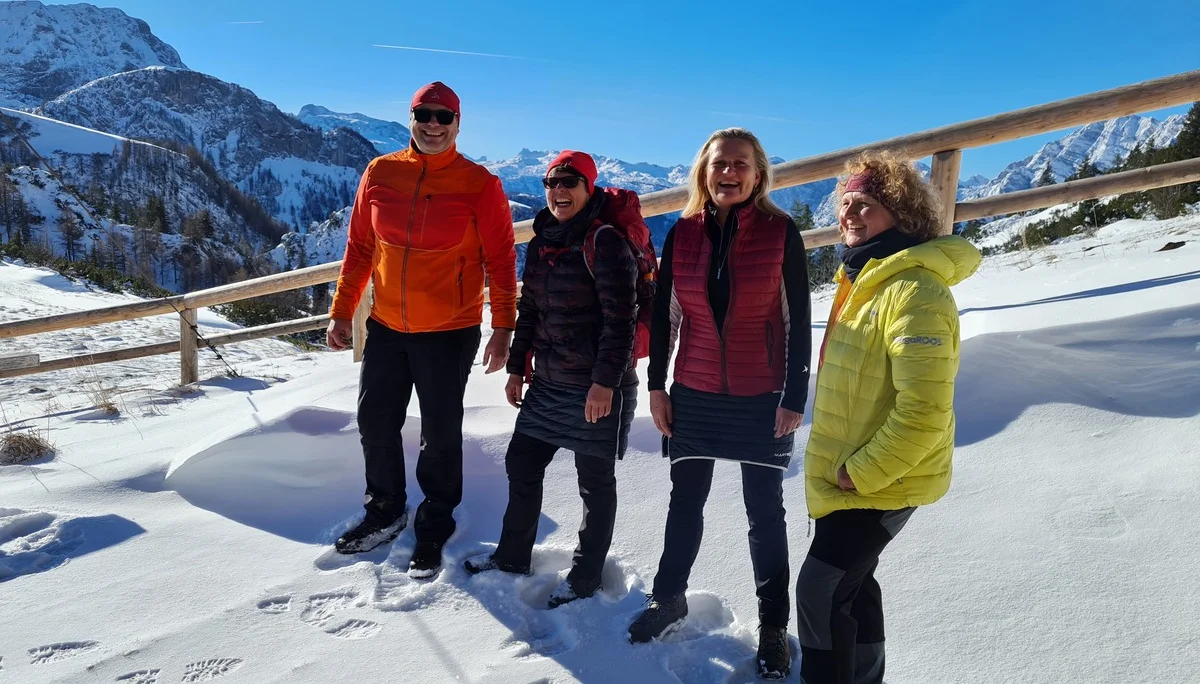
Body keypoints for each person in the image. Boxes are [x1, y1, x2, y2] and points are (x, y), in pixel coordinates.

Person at [627, 128, 812, 681]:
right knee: (685, 502)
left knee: (764, 515)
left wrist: (794, 396)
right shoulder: (681, 233)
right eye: (718, 165)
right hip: (695, 391)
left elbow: (797, 321)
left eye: (740, 165)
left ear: (758, 175)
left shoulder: (782, 232)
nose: (728, 173)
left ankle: (773, 627)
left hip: (762, 396)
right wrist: (657, 385)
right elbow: (665, 317)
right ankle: (669, 599)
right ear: (702, 173)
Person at [796, 151, 981, 684]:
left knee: (820, 589)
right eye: (846, 203)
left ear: (901, 214)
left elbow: (924, 411)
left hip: (879, 479)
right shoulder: (864, 279)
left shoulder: (915, 290)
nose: (851, 214)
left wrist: (862, 472)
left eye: (867, 204)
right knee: (854, 584)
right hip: (850, 471)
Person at [325, 81, 518, 581]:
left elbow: (500, 259)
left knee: (439, 431)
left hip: (449, 329)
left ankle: (435, 520)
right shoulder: (381, 171)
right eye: (424, 114)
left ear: (458, 123)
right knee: (375, 421)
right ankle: (385, 509)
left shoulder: (479, 183)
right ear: (411, 118)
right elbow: (360, 247)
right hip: (386, 322)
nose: (433, 125)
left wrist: (503, 325)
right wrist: (342, 310)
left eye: (443, 117)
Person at [462, 151, 646, 608]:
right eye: (552, 183)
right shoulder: (544, 237)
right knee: (522, 462)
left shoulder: (605, 242)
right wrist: (516, 367)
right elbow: (531, 310)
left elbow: (622, 319)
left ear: (590, 189)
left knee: (594, 481)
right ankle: (511, 558)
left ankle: (585, 576)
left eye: (570, 183)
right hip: (549, 380)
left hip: (596, 386)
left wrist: (604, 382)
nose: (559, 192)